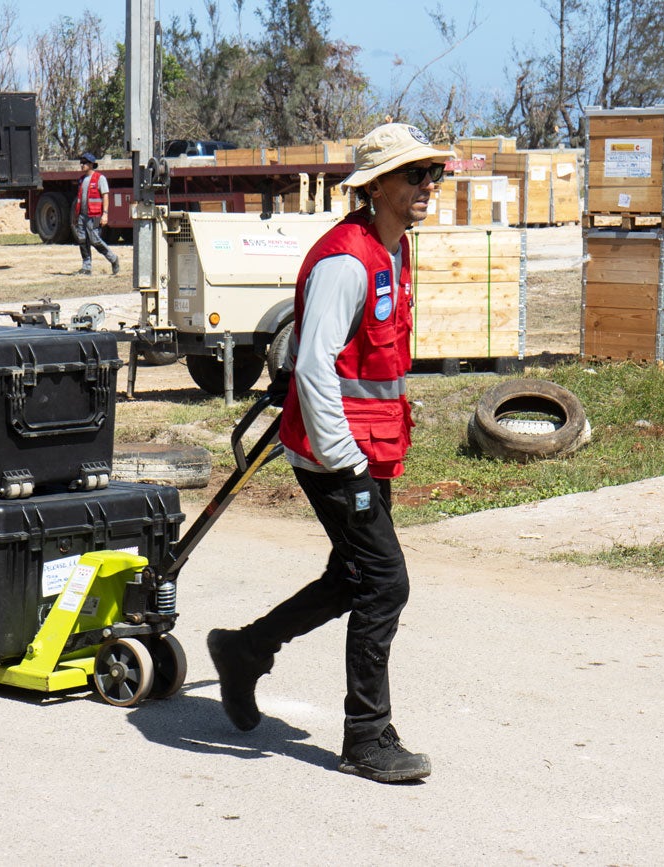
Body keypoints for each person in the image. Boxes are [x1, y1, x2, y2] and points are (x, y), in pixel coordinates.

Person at [206, 123, 453, 784]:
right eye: (415, 176)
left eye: (433, 174)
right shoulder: (348, 259)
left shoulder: (393, 250)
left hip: (366, 446)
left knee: (352, 576)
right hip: (334, 452)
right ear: (376, 187)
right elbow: (314, 370)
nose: (428, 186)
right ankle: (366, 736)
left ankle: (243, 648)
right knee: (385, 581)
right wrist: (347, 464)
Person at [73, 153, 120, 276]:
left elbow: (105, 196)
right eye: (81, 163)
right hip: (82, 216)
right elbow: (79, 199)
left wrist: (105, 214)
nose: (81, 165)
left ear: (91, 164)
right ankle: (86, 267)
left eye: (84, 163)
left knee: (95, 240)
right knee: (82, 240)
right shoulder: (81, 180)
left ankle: (113, 258)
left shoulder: (100, 178)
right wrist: (75, 216)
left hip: (94, 215)